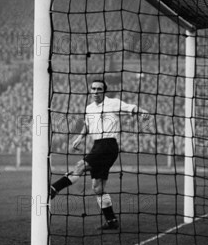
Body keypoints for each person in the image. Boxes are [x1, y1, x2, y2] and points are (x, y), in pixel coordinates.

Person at [50, 78, 150, 230]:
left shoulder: (113, 103)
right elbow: (87, 126)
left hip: (108, 145)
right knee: (98, 188)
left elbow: (131, 107)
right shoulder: (89, 108)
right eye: (94, 89)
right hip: (97, 145)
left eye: (99, 89)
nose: (96, 92)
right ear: (91, 91)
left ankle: (53, 189)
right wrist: (79, 138)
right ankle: (111, 221)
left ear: (104, 91)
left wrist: (142, 112)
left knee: (80, 166)